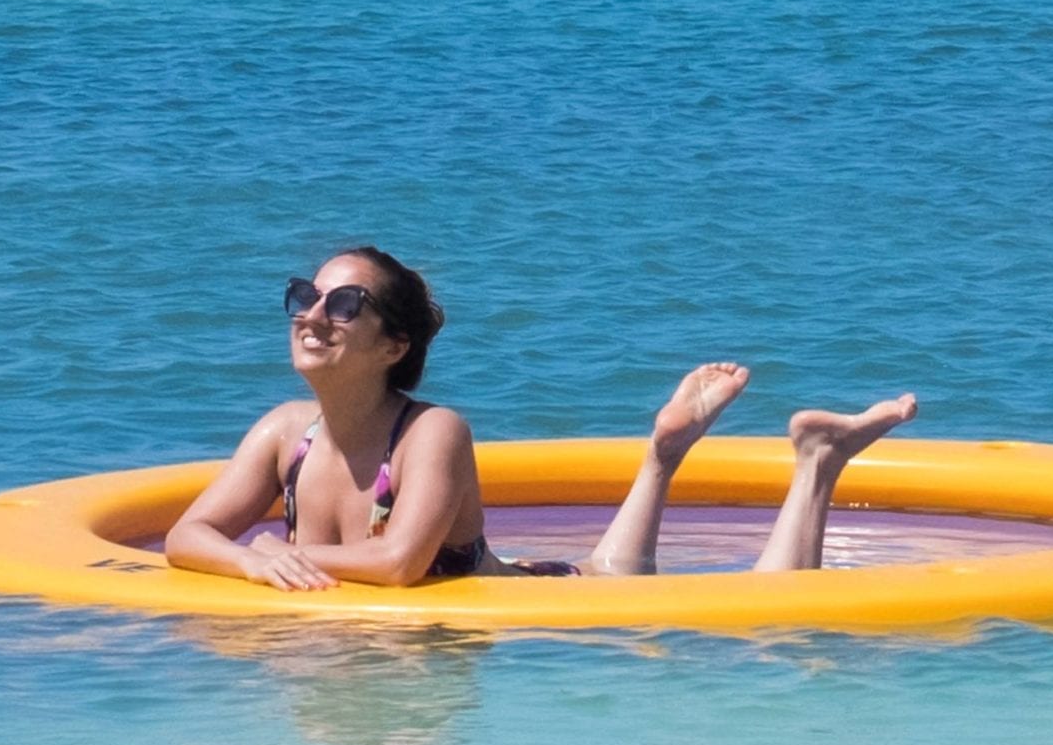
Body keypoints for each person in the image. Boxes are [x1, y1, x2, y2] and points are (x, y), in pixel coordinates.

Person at [165, 246, 916, 590]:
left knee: (768, 607)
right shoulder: (281, 433)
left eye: (345, 303)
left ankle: (818, 463)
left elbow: (397, 565)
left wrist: (277, 560)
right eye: (307, 296)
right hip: (522, 583)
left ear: (394, 344)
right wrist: (248, 558)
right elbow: (186, 536)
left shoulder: (432, 433)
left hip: (550, 598)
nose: (314, 315)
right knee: (618, 570)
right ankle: (663, 454)